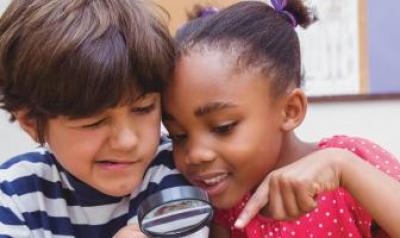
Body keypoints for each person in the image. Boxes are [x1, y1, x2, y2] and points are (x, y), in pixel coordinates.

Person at [162, 0, 400, 237]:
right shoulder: (225, 205)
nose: (195, 154)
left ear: (290, 110)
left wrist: (343, 167)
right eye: (178, 136)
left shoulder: (351, 165)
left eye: (223, 127)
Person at [0, 0, 189, 237]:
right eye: (94, 122)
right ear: (31, 123)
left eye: (143, 109)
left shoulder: (177, 169)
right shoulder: (13, 193)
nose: (127, 141)